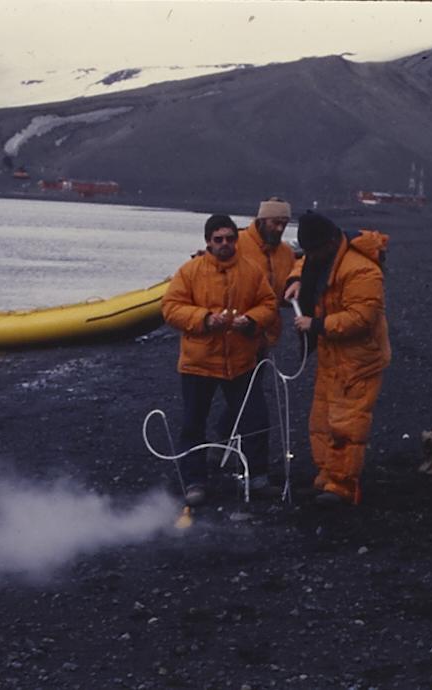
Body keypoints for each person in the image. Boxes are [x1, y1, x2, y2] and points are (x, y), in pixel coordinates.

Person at [162, 215, 278, 505]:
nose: (225, 244)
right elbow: (171, 307)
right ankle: (194, 482)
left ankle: (258, 478)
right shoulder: (189, 271)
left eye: (230, 238)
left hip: (240, 361)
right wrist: (204, 319)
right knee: (193, 424)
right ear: (208, 242)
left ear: (236, 240)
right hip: (198, 362)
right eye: (218, 239)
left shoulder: (251, 271)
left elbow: (269, 304)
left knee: (256, 419)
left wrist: (251, 320)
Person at [283, 212, 390, 506]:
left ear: (330, 242)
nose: (311, 256)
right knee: (321, 420)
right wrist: (295, 279)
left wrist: (316, 325)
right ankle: (326, 476)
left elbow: (362, 318)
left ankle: (342, 486)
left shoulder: (361, 270)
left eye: (315, 250)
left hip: (359, 360)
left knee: (347, 423)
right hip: (332, 355)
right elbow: (305, 262)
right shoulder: (324, 255)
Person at [237, 197, 296, 351]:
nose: (280, 229)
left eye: (284, 224)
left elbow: (284, 293)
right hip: (237, 329)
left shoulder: (287, 253)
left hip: (268, 332)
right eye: (275, 223)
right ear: (262, 220)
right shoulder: (236, 243)